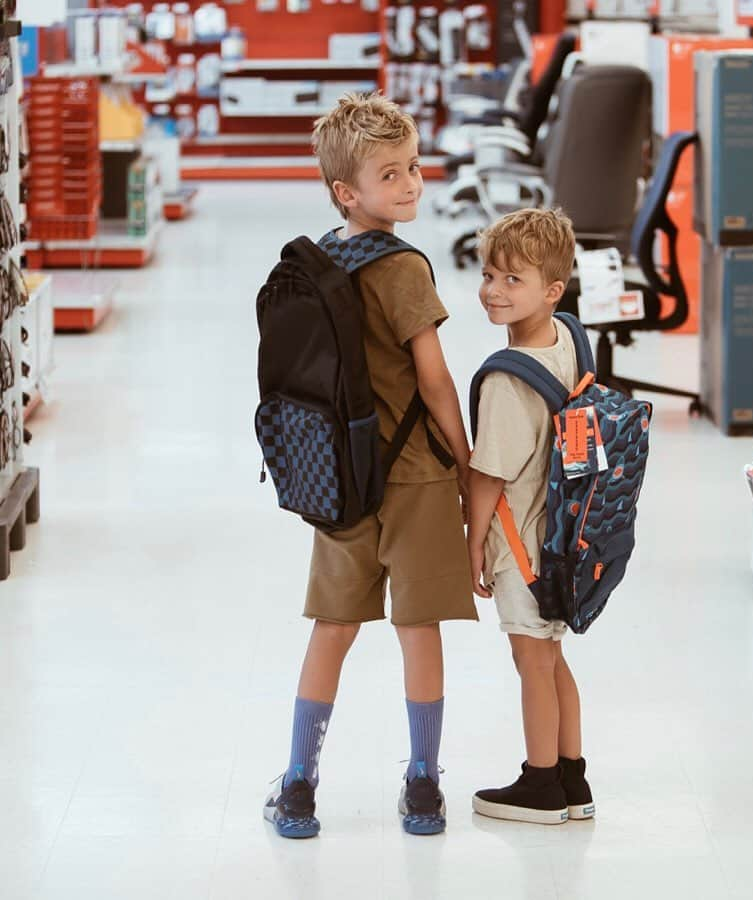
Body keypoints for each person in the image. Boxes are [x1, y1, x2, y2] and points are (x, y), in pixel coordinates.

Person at [264, 93, 477, 840]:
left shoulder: (318, 263)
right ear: (347, 192)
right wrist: (468, 458)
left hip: (339, 480)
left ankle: (298, 784)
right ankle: (422, 786)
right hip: (416, 474)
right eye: (393, 175)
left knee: (331, 628)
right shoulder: (404, 268)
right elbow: (434, 377)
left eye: (414, 167)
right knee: (419, 629)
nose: (412, 184)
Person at [467, 208, 594, 825]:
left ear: (551, 290)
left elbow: (487, 475)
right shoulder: (568, 338)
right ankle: (574, 777)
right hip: (569, 539)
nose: (493, 290)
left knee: (531, 662)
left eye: (512, 280)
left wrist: (472, 546)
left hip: (522, 548)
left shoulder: (506, 383)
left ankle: (541, 784)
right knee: (553, 658)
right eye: (489, 274)